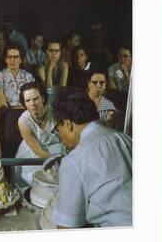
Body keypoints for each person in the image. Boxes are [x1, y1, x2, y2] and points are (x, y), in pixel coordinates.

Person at [51, 88, 132, 228]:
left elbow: (66, 228)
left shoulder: (74, 161)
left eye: (57, 130)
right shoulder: (124, 139)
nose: (60, 138)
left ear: (68, 124)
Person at [12, 82, 66, 191]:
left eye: (35, 99)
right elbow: (38, 151)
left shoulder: (56, 113)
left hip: (56, 147)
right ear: (24, 103)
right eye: (28, 101)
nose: (32, 104)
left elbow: (65, 137)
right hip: (33, 151)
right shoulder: (23, 121)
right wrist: (52, 162)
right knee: (33, 181)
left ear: (43, 98)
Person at [0, 42, 36, 157]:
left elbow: (33, 100)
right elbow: (2, 105)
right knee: (11, 116)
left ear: (21, 59)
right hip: (8, 116)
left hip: (28, 113)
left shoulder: (29, 77)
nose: (12, 60)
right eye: (9, 57)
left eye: (16, 57)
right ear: (5, 59)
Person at [38, 40, 69, 106]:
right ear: (46, 51)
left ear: (60, 52)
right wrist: (49, 69)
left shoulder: (64, 65)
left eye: (57, 51)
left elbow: (62, 88)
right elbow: (49, 90)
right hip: (45, 98)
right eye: (51, 50)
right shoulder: (41, 67)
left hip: (59, 98)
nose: (54, 53)